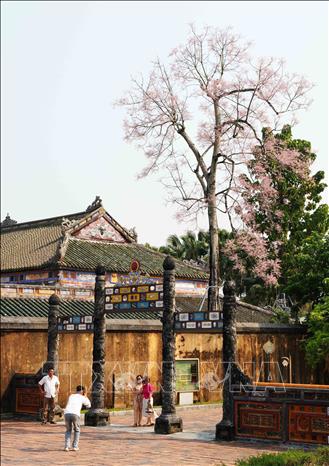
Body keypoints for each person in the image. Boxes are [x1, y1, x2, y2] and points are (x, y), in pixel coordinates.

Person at [63, 385, 91, 452]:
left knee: (68, 430)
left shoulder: (71, 396)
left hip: (67, 413)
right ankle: (75, 446)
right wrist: (85, 395)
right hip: (75, 414)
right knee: (77, 430)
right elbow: (89, 405)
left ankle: (67, 446)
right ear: (82, 391)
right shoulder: (82, 397)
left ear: (76, 390)